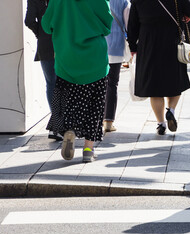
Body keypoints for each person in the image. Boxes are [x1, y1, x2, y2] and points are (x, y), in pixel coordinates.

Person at [41, 0, 112, 162]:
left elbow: (46, 24)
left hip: (66, 59)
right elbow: (107, 23)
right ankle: (88, 149)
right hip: (95, 59)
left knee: (67, 103)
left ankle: (69, 131)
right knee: (95, 105)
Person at [128, 0, 190, 135]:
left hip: (148, 45)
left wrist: (133, 46)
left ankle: (161, 123)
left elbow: (132, 25)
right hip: (172, 44)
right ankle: (171, 110)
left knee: (154, 88)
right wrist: (188, 13)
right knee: (175, 82)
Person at [24, 0, 61, 141]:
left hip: (44, 43)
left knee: (51, 83)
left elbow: (28, 21)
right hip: (60, 42)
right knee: (62, 83)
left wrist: (39, 32)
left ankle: (56, 123)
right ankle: (59, 124)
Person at [104, 0, 131, 133]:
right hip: (116, 46)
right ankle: (108, 121)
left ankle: (96, 118)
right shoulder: (123, 2)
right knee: (112, 83)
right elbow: (128, 24)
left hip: (99, 45)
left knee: (97, 82)